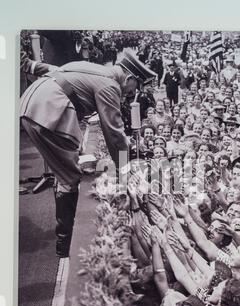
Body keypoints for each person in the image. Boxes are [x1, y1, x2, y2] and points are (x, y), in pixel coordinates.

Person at [20, 49, 156, 258]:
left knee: (64, 169)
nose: (131, 93)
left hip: (30, 103)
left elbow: (53, 69)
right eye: (134, 87)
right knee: (70, 176)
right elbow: (114, 132)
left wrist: (29, 65)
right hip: (48, 110)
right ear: (129, 77)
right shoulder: (110, 85)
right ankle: (65, 242)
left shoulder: (95, 68)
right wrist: (126, 169)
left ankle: (64, 236)